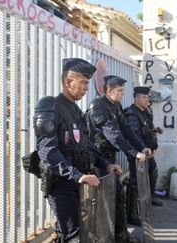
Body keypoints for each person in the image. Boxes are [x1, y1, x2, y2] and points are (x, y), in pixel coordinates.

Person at [34, 58, 122, 243]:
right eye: (82, 82)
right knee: (73, 236)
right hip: (60, 184)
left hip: (76, 181)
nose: (86, 87)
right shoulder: (50, 107)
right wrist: (76, 175)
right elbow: (47, 151)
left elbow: (86, 145)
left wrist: (105, 164)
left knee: (70, 231)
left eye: (88, 83)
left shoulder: (75, 110)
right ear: (68, 82)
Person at [86, 75, 149, 241]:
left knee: (116, 196)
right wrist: (134, 153)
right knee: (103, 200)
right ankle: (104, 236)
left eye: (123, 91)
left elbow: (126, 129)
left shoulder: (116, 105)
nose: (122, 94)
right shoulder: (97, 106)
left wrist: (140, 147)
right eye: (120, 91)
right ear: (109, 90)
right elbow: (113, 134)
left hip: (109, 157)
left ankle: (120, 236)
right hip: (98, 159)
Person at [124, 86, 164, 220]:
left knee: (152, 173)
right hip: (138, 153)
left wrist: (155, 130)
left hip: (147, 151)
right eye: (143, 97)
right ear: (136, 99)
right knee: (135, 182)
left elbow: (146, 131)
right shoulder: (132, 114)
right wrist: (143, 150)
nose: (146, 100)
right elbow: (134, 136)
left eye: (147, 97)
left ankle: (149, 198)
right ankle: (131, 213)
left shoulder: (145, 112)